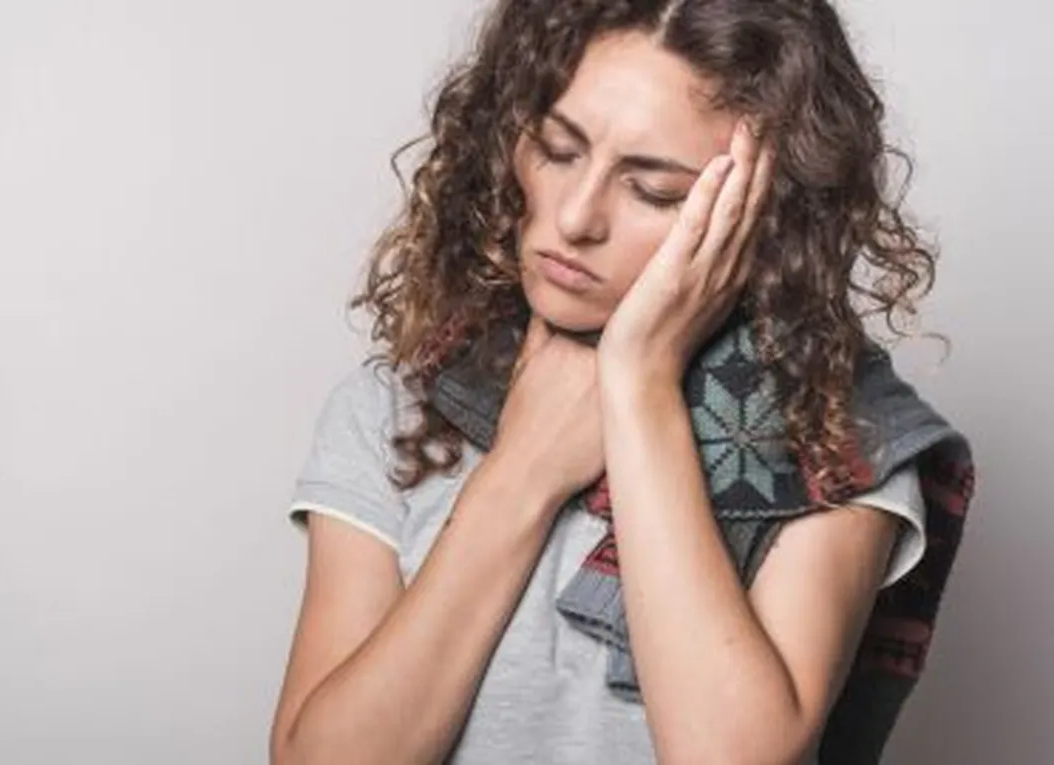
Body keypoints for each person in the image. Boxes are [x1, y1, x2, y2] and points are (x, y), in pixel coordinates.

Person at [269, 1, 975, 763]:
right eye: (558, 149)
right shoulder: (397, 412)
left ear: (767, 213)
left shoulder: (834, 438)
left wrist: (640, 382)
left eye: (654, 191)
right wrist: (521, 476)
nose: (575, 218)